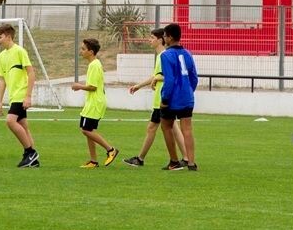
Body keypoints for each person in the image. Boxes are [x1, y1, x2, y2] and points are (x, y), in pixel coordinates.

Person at [123, 28, 188, 168]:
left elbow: (169, 76)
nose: (149, 40)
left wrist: (157, 79)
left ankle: (140, 159)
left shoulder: (165, 55)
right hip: (162, 98)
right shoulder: (161, 56)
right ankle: (186, 158)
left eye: (152, 38)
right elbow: (156, 75)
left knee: (152, 128)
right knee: (172, 127)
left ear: (160, 40)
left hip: (162, 98)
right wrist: (139, 86)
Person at [0, 23, 39, 168]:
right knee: (23, 126)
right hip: (13, 96)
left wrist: (28, 96)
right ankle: (33, 160)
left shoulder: (20, 51)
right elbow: (2, 80)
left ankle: (30, 152)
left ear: (8, 36)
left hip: (21, 94)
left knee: (10, 121)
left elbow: (31, 73)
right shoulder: (2, 55)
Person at [70, 38, 118, 168]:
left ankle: (110, 150)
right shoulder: (93, 64)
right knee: (88, 130)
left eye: (83, 49)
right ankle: (93, 161)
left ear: (91, 52)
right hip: (92, 102)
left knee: (86, 130)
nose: (81, 51)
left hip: (95, 103)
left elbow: (93, 87)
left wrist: (79, 86)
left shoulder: (95, 65)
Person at [159, 23, 198, 171]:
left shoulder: (165, 55)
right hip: (187, 97)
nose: (164, 38)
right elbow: (194, 78)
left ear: (169, 37)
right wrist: (188, 91)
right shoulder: (188, 53)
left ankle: (174, 161)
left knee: (166, 126)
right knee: (187, 129)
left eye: (164, 36)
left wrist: (165, 99)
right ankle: (191, 163)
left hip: (172, 98)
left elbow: (169, 80)